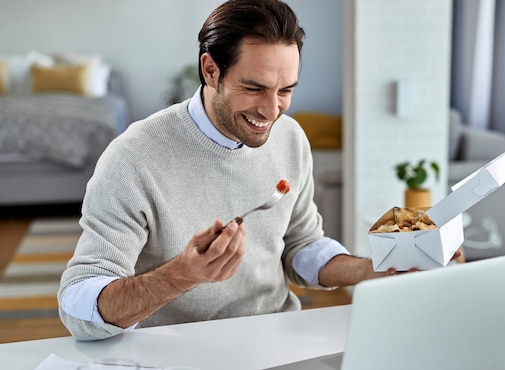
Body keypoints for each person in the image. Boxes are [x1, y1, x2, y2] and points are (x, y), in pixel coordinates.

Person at [58, 0, 457, 342]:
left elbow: (301, 245)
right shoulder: (132, 158)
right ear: (210, 70)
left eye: (286, 90)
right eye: (254, 88)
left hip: (276, 340)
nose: (272, 111)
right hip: (175, 359)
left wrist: (370, 271)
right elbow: (78, 307)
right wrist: (181, 275)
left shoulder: (290, 139)